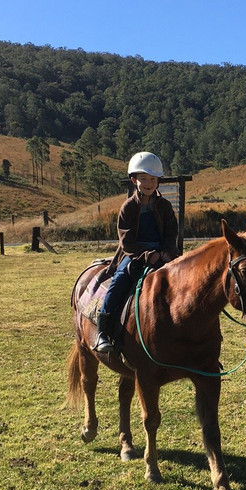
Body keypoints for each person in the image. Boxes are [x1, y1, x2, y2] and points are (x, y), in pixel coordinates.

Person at [93, 151, 180, 354]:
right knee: (120, 280)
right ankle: (103, 331)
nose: (148, 183)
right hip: (135, 254)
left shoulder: (165, 206)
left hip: (163, 252)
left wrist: (167, 252)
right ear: (134, 180)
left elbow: (171, 232)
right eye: (143, 179)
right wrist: (147, 255)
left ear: (158, 180)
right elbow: (127, 240)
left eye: (152, 179)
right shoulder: (128, 207)